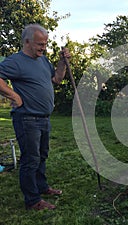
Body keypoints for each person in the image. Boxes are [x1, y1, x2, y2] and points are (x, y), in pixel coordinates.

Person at [0, 24, 71, 210]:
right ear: (27, 41)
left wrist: (62, 63)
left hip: (44, 118)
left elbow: (56, 79)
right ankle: (32, 201)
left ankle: (41, 187)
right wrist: (14, 96)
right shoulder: (15, 61)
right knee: (30, 160)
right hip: (27, 119)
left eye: (45, 44)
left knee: (41, 156)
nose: (44, 47)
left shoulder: (43, 60)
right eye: (40, 44)